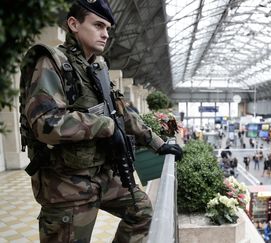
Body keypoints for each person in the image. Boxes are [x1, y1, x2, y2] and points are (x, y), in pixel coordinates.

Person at [19, 1, 183, 242]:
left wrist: (157, 143)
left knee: (142, 212)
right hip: (66, 186)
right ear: (73, 24)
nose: (105, 34)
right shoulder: (51, 63)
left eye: (107, 27)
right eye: (98, 25)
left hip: (102, 176)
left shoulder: (97, 66)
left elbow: (121, 112)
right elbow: (44, 123)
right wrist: (105, 126)